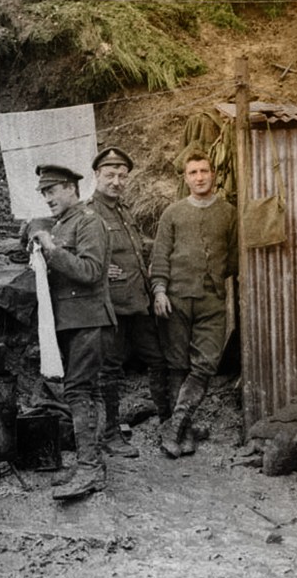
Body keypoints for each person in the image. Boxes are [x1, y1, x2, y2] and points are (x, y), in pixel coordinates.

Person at [29, 164, 117, 500]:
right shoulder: (65, 223)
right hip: (72, 321)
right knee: (85, 392)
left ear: (70, 188)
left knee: (80, 392)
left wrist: (52, 250)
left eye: (51, 190)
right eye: (43, 192)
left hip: (89, 321)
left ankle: (90, 469)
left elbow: (92, 271)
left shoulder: (89, 220)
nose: (47, 198)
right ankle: (89, 462)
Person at [150, 150, 237, 459]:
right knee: (177, 364)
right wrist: (160, 290)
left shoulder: (229, 213)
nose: (199, 177)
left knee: (205, 365)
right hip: (175, 300)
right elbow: (159, 256)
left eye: (204, 171)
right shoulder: (172, 213)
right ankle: (183, 432)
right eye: (193, 173)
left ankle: (174, 428)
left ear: (213, 174)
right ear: (185, 178)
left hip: (212, 301)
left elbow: (234, 259)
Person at [85, 147, 167, 459]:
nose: (117, 181)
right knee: (109, 370)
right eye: (110, 175)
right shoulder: (88, 213)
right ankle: (109, 434)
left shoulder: (124, 211)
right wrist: (100, 270)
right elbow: (76, 255)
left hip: (138, 303)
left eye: (122, 176)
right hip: (110, 307)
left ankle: (168, 423)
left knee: (159, 359)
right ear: (97, 176)